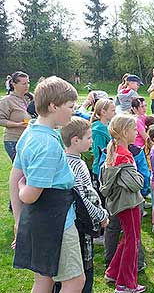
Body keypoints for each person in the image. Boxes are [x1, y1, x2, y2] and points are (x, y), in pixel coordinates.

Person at [9, 76, 85, 292]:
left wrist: (18, 220)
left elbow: (13, 177)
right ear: (53, 106)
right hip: (56, 221)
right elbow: (28, 193)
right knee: (74, 281)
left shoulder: (31, 132)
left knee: (44, 279)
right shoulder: (48, 146)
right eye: (70, 106)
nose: (73, 110)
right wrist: (25, 189)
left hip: (39, 219)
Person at [61, 117, 110, 293]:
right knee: (81, 273)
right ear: (75, 140)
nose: (91, 141)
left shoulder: (71, 160)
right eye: (88, 138)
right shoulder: (75, 165)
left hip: (76, 224)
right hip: (79, 227)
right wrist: (101, 216)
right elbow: (81, 199)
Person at [100, 114, 145, 293]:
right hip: (128, 204)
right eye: (134, 129)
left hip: (123, 203)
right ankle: (125, 283)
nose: (137, 132)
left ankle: (112, 272)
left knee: (128, 238)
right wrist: (140, 177)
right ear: (125, 132)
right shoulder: (124, 156)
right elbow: (137, 183)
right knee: (133, 241)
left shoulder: (115, 150)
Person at [0, 71, 33, 162]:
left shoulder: (31, 98)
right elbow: (1, 119)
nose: (27, 86)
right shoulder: (7, 101)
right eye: (23, 84)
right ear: (14, 84)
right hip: (14, 140)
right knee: (20, 171)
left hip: (30, 139)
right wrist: (17, 124)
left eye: (28, 83)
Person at [90, 98, 116, 179]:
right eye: (113, 110)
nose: (115, 113)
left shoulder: (108, 126)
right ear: (103, 112)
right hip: (100, 169)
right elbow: (99, 153)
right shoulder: (98, 131)